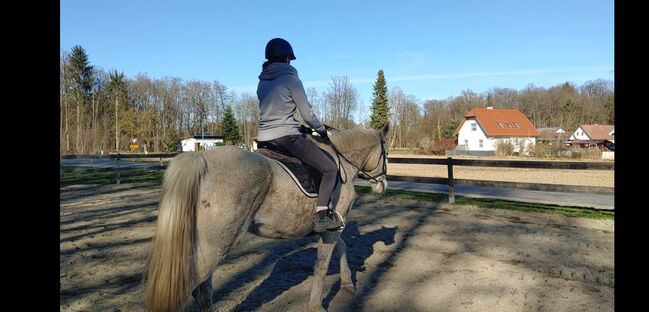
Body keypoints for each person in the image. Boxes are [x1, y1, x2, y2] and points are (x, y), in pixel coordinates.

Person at [256, 38, 342, 233]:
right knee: (329, 169)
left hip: (264, 139)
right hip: (287, 138)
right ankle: (321, 216)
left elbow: (276, 114)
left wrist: (300, 128)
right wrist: (321, 130)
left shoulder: (262, 83)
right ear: (287, 58)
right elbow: (308, 115)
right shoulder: (292, 80)